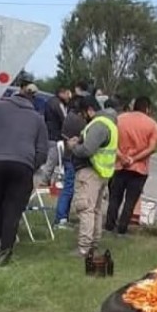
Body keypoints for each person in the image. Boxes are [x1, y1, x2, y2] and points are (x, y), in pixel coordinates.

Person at [0, 83, 49, 266]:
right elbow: (43, 152)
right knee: (12, 213)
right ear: (33, 99)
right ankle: (5, 255)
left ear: (15, 94)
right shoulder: (38, 119)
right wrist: (30, 165)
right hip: (23, 167)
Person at [68, 95, 119, 259]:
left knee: (86, 209)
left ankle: (84, 248)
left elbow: (87, 150)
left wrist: (73, 146)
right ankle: (93, 244)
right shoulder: (110, 124)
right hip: (102, 173)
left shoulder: (98, 125)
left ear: (90, 110)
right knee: (95, 210)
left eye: (83, 114)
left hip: (90, 172)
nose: (82, 118)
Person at [105, 96, 157, 235]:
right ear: (147, 109)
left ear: (133, 106)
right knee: (130, 201)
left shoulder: (119, 119)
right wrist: (134, 159)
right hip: (139, 169)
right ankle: (122, 229)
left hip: (119, 166)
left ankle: (109, 225)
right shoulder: (152, 125)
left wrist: (122, 157)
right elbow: (152, 147)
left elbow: (111, 141)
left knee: (114, 198)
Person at [54, 98, 88, 228]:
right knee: (68, 188)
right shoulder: (80, 121)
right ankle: (61, 218)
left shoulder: (69, 117)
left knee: (68, 187)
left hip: (67, 156)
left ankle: (63, 216)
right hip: (73, 157)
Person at [39, 87, 72, 187]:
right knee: (52, 160)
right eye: (67, 94)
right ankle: (44, 181)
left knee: (51, 159)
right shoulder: (58, 104)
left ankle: (46, 180)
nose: (68, 96)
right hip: (55, 136)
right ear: (62, 93)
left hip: (49, 134)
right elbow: (65, 118)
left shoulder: (50, 101)